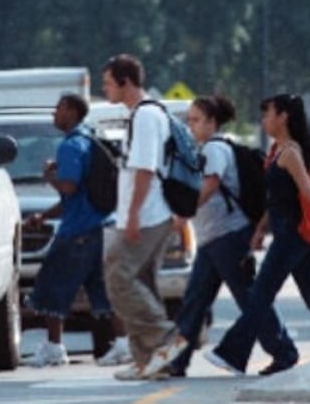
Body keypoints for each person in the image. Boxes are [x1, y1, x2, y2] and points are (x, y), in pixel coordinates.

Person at [205, 94, 310, 375]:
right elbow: (276, 199)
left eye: (268, 114)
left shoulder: (290, 153)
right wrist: (261, 229)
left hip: (292, 235)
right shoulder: (277, 151)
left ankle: (233, 352)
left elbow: (308, 193)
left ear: (283, 117)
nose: (264, 120)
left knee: (260, 294)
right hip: (287, 232)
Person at [160, 95, 297, 377]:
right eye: (189, 120)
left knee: (249, 299)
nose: (190, 125)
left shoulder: (215, 149)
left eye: (196, 120)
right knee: (194, 301)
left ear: (212, 123)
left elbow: (211, 184)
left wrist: (184, 212)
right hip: (212, 239)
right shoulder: (204, 150)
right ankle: (177, 361)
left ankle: (284, 351)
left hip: (230, 237)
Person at [23, 93, 130, 368]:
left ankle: (54, 348)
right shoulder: (90, 140)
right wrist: (44, 216)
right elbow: (76, 199)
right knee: (103, 290)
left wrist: (50, 176)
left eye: (58, 109)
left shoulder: (70, 146)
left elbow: (69, 187)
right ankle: (123, 345)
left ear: (71, 112)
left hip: (77, 232)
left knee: (53, 287)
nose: (54, 114)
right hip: (101, 226)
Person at [100, 55, 187, 380]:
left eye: (108, 83)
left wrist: (134, 214)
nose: (105, 89)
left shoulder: (147, 116)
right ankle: (150, 362)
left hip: (149, 214)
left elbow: (146, 169)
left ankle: (165, 337)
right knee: (142, 283)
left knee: (119, 279)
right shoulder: (139, 114)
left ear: (125, 82)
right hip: (142, 213)